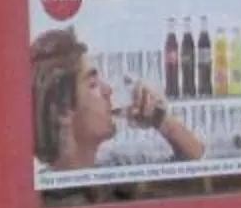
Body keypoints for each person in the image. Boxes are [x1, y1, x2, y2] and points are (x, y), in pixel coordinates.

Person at [31, 27, 204, 176]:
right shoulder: (45, 192)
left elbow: (196, 159)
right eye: (92, 85)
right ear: (62, 111)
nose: (108, 90)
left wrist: (161, 120)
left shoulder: (116, 166)